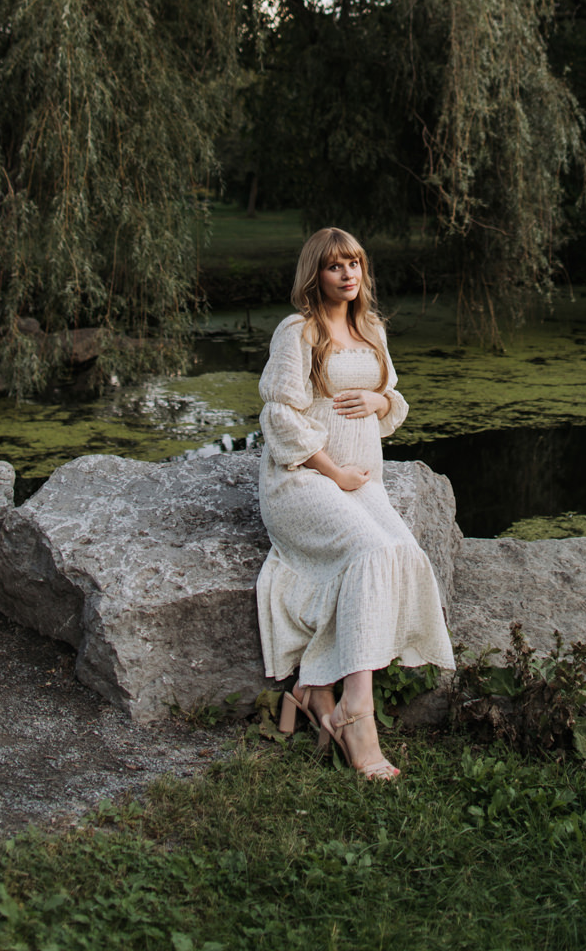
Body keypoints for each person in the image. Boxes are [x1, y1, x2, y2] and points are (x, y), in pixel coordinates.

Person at [255, 226, 454, 780]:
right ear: (314, 275)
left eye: (355, 264)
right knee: (369, 552)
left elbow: (394, 399)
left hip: (362, 482)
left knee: (402, 552)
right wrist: (333, 470)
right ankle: (354, 712)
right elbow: (279, 416)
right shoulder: (297, 331)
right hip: (303, 479)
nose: (347, 274)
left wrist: (380, 397)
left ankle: (316, 686)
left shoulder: (371, 330)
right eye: (334, 266)